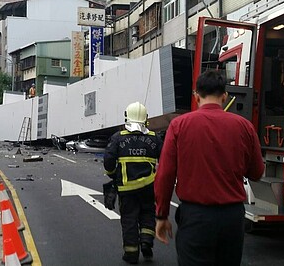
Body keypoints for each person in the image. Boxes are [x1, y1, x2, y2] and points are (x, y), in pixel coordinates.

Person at [154, 69, 264, 266]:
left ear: (196, 96)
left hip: (196, 217)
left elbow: (165, 175)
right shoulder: (244, 126)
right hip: (232, 218)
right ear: (224, 96)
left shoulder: (179, 125)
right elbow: (257, 172)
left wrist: (161, 215)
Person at [104, 102, 163, 264]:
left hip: (126, 188)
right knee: (147, 214)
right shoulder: (154, 138)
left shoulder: (118, 138)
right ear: (146, 119)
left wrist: (112, 174)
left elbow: (108, 160)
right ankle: (146, 241)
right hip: (149, 186)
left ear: (126, 117)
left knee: (129, 219)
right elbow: (165, 160)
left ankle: (131, 254)